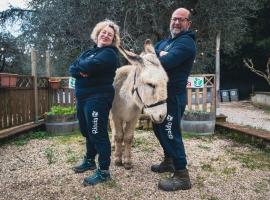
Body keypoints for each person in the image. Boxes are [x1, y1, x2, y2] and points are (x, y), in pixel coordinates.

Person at [69, 19, 120, 186]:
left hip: (98, 97)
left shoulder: (110, 54)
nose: (106, 35)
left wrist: (84, 68)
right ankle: (90, 160)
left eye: (110, 35)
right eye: (103, 32)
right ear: (98, 33)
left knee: (97, 132)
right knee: (86, 130)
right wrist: (82, 69)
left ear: (113, 39)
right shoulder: (88, 52)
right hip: (83, 97)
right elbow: (72, 69)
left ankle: (104, 171)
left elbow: (88, 66)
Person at [152, 8, 196, 191]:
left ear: (188, 23)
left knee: (170, 131)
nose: (176, 23)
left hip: (173, 96)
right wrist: (158, 56)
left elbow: (167, 62)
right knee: (158, 127)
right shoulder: (166, 42)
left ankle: (182, 175)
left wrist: (161, 57)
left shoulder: (186, 43)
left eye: (181, 19)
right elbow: (150, 55)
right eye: (174, 19)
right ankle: (169, 160)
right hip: (160, 96)